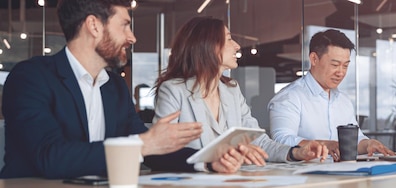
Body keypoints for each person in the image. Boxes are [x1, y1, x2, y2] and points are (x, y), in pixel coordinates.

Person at [0, 0, 234, 179]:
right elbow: (50, 157)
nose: (132, 37)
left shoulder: (114, 86)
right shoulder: (30, 78)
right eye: (124, 25)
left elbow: (147, 146)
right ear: (94, 26)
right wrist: (143, 144)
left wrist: (209, 161)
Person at [152, 16, 329, 173]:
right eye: (228, 39)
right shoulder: (173, 90)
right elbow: (161, 150)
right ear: (207, 46)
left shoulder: (232, 91)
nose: (237, 46)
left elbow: (259, 142)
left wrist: (297, 152)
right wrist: (210, 162)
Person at [269, 29, 395, 161]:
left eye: (345, 66)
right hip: (305, 177)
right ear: (314, 59)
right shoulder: (289, 97)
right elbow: (281, 140)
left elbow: (354, 140)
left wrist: (368, 144)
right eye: (335, 65)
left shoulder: (343, 101)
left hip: (341, 176)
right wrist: (323, 145)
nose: (340, 73)